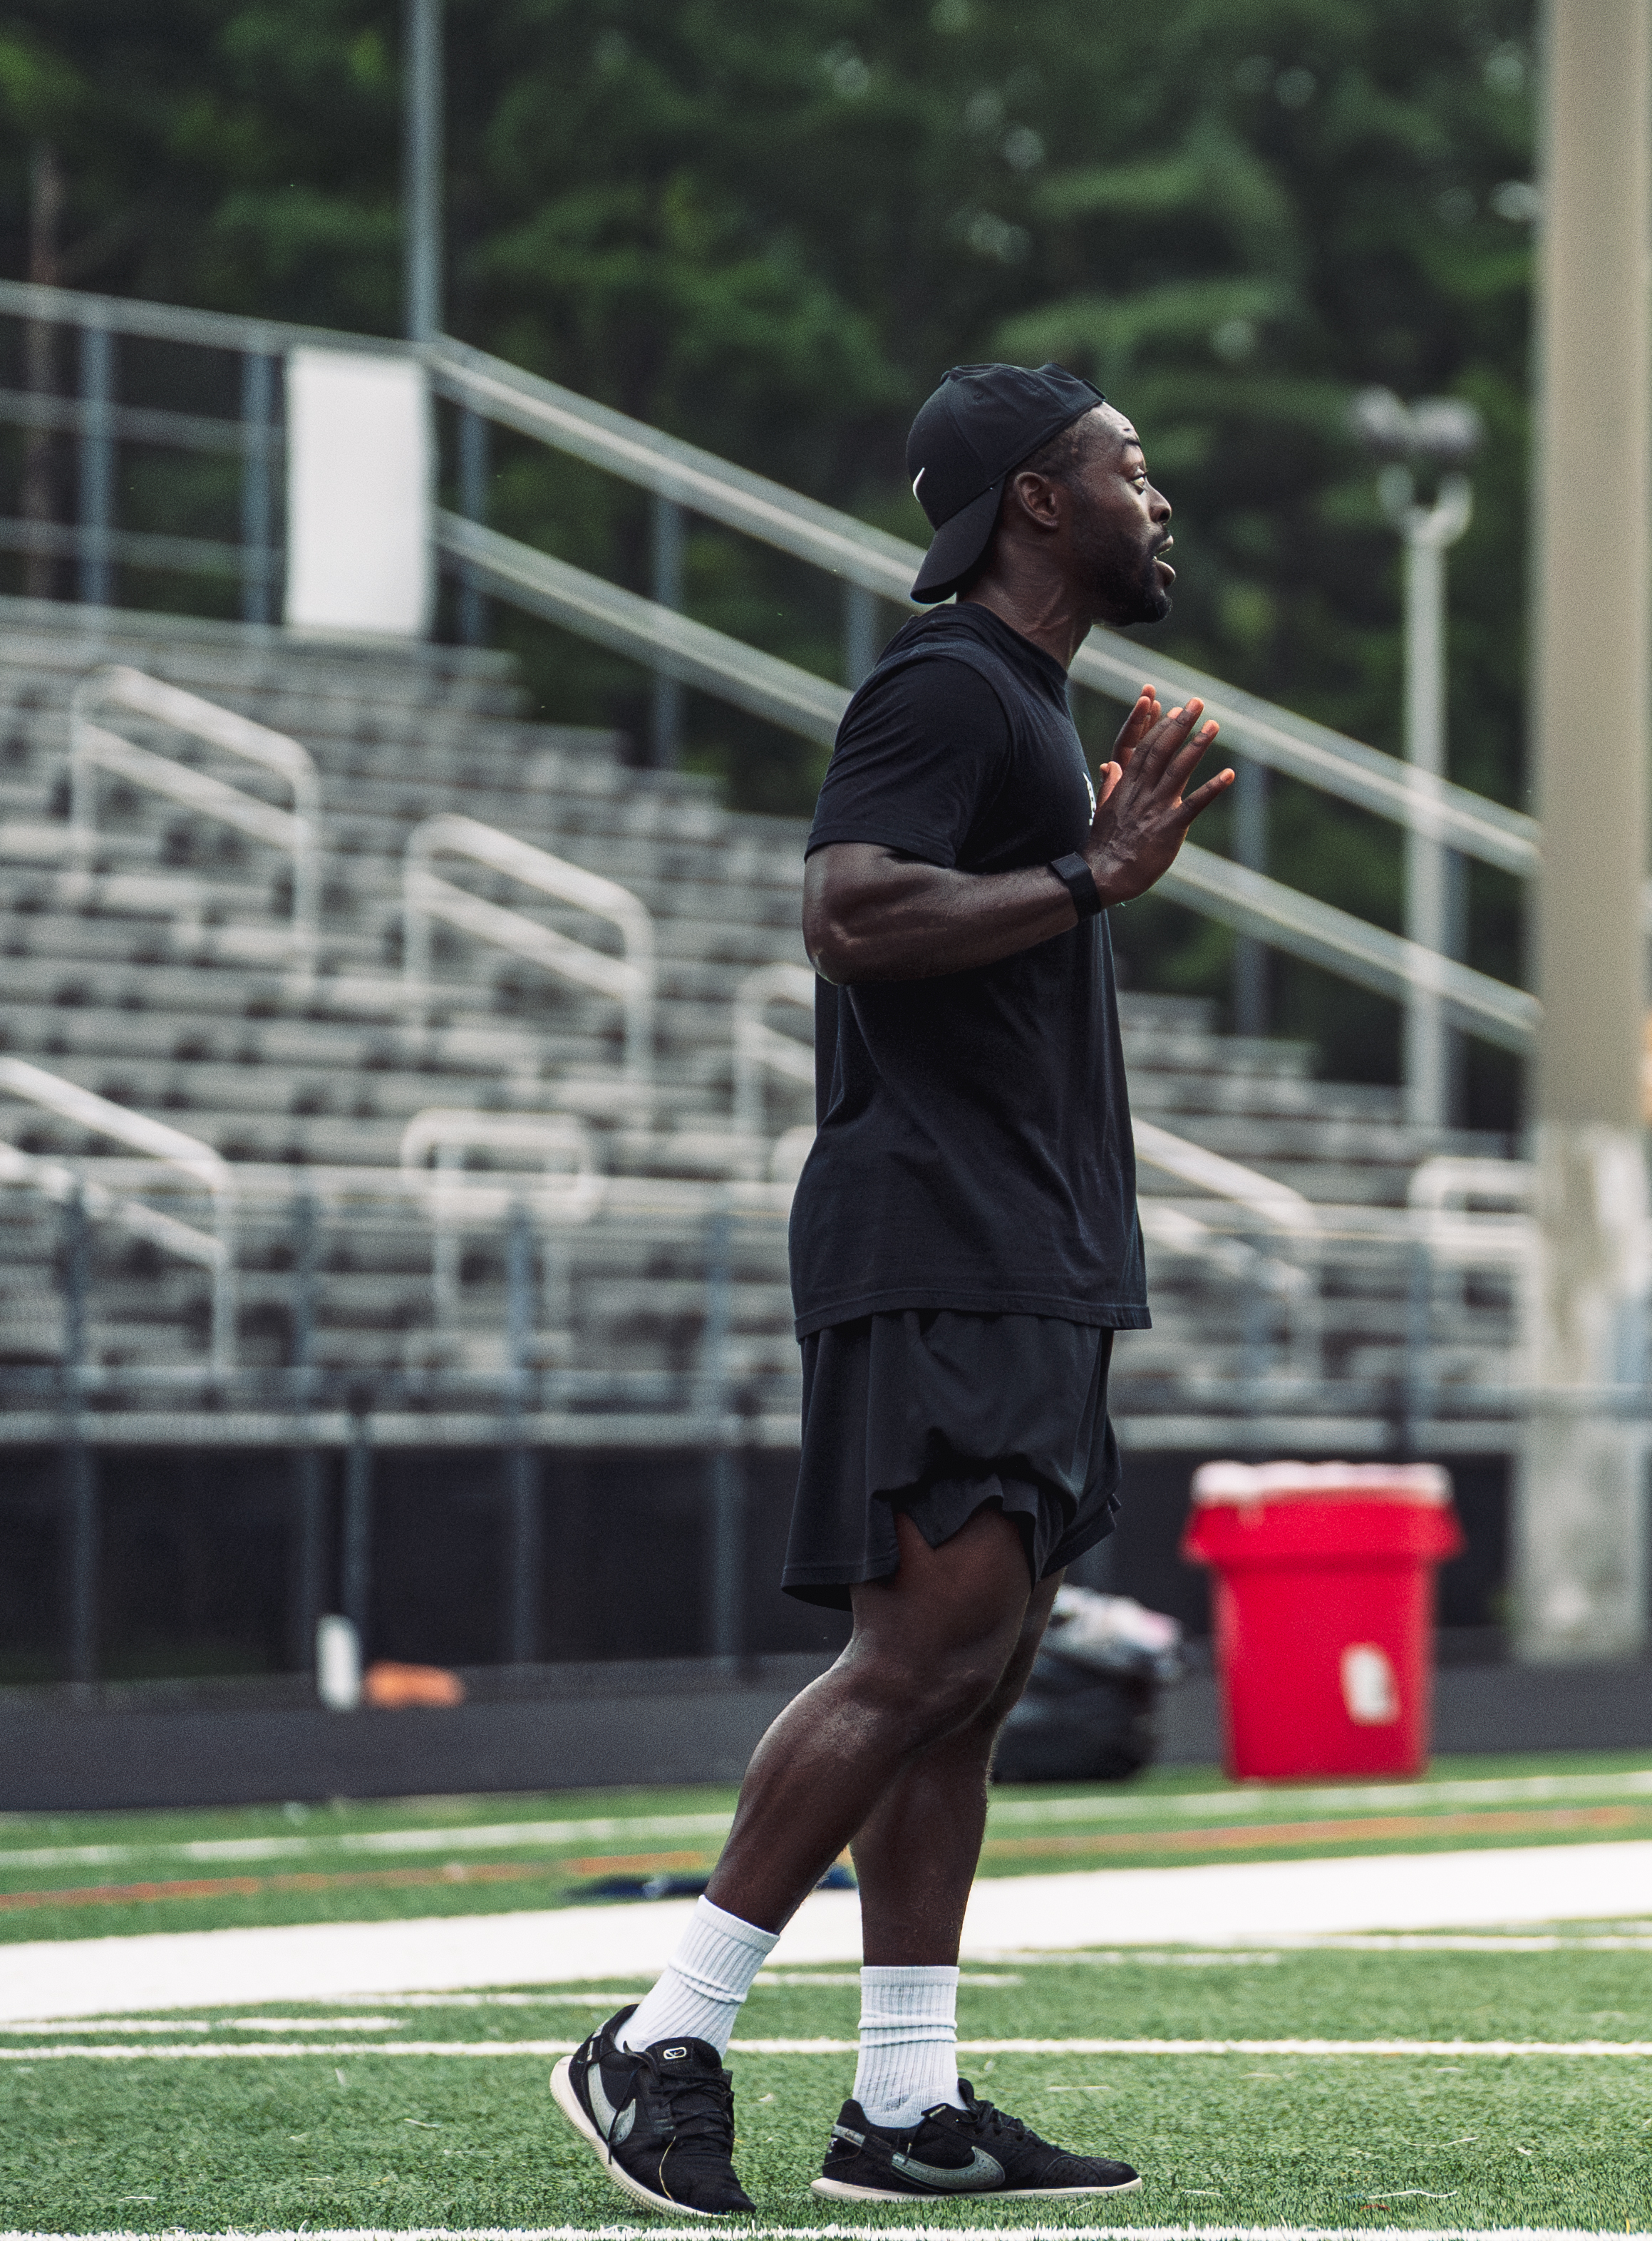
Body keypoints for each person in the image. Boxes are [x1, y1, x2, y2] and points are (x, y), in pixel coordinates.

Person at [552, 362, 1233, 2217]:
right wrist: (1091, 875)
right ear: (1034, 499)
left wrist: (1083, 868)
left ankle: (905, 2106)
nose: (1155, 500)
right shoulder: (942, 686)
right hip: (937, 1238)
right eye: (1127, 468)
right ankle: (662, 2033)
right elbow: (847, 915)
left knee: (978, 1676)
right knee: (921, 1653)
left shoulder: (1019, 700)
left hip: (1020, 1246)